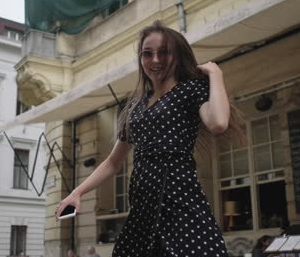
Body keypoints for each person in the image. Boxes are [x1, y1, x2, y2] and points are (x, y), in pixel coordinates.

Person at [56, 20, 243, 256]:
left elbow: (217, 122)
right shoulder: (135, 106)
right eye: (147, 53)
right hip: (143, 205)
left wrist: (215, 74)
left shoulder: (190, 89)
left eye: (164, 52)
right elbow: (113, 162)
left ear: (177, 56)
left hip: (178, 198)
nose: (155, 60)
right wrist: (77, 192)